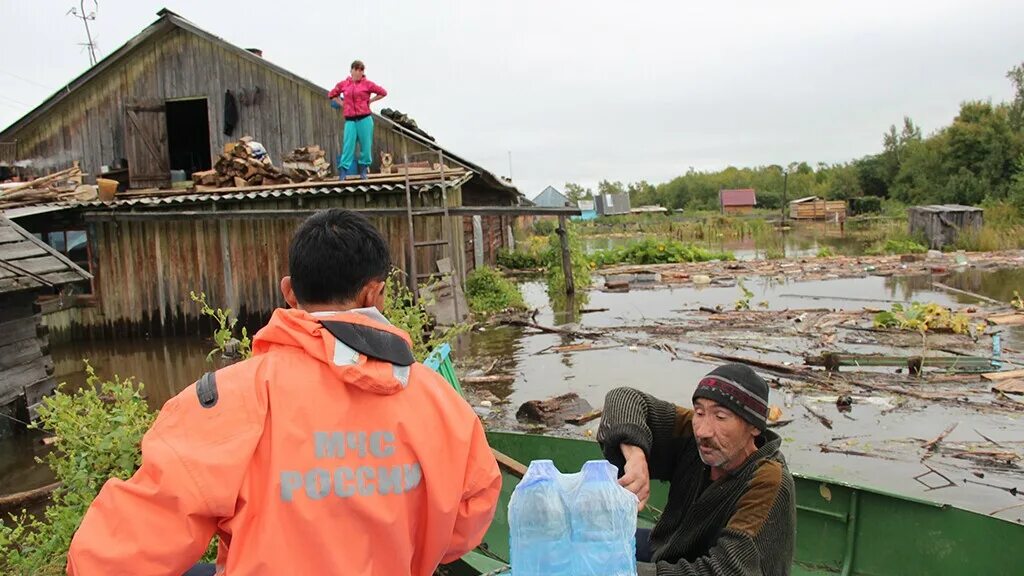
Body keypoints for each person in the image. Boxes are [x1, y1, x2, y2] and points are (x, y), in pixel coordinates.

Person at [67, 209, 502, 576]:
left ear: (289, 292)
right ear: (376, 294)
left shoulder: (226, 399)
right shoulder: (439, 401)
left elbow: (107, 561)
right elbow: (468, 520)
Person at [597, 363, 796, 576]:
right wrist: (636, 456)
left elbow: (725, 571)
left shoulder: (769, 481)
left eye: (720, 417)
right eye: (699, 412)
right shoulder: (694, 436)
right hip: (669, 549)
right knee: (589, 540)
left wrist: (621, 571)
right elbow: (623, 399)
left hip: (703, 568)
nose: (702, 431)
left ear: (754, 427)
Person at [328, 60, 387, 180]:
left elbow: (383, 92)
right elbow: (332, 94)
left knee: (366, 145)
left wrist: (371, 101)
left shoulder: (368, 84)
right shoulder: (344, 84)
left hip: (364, 118)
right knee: (348, 145)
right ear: (351, 71)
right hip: (350, 120)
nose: (359, 72)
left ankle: (363, 171)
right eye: (356, 69)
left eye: (361, 70)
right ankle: (343, 172)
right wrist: (342, 103)